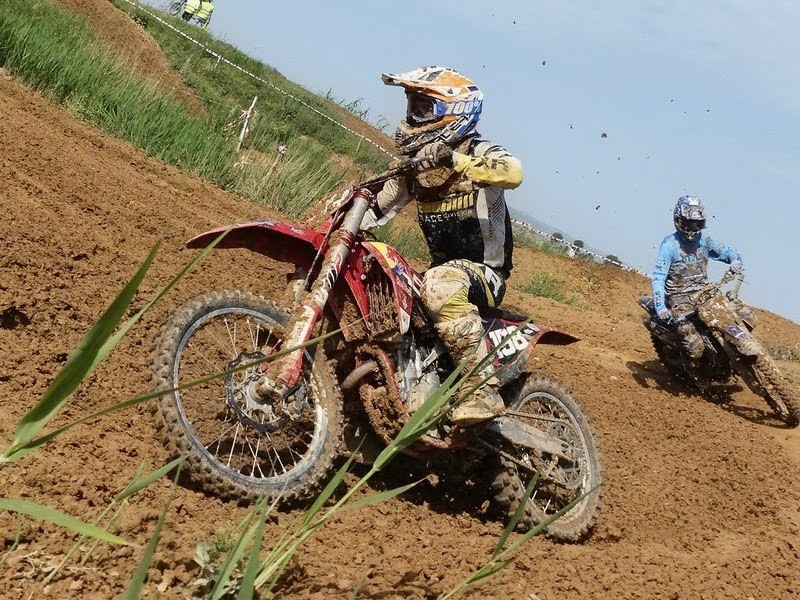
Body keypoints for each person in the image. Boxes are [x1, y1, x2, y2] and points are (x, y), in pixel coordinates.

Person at [362, 66, 524, 427]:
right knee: (385, 280)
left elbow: (513, 172)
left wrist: (455, 160)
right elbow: (376, 210)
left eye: (424, 109)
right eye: (413, 107)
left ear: (455, 113)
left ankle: (481, 390)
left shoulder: (477, 151)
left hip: (485, 275)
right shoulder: (416, 169)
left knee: (438, 284)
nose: (413, 116)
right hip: (444, 272)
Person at [651, 195, 748, 361]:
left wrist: (735, 260)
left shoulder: (705, 240)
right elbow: (659, 277)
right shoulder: (669, 245)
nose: (692, 229)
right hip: (679, 298)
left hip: (704, 293)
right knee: (694, 345)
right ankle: (691, 369)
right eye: (688, 224)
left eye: (697, 224)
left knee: (745, 314)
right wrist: (660, 306)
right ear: (678, 220)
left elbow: (727, 252)